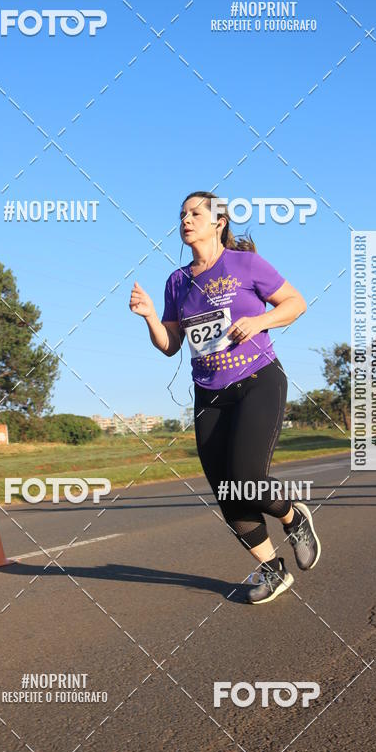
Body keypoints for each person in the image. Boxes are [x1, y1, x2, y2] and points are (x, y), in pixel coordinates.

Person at [129, 191, 320, 604]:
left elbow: (296, 303)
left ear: (218, 222)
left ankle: (293, 515)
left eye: (196, 213)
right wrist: (149, 316)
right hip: (209, 395)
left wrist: (261, 320)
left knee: (247, 480)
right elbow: (170, 344)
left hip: (258, 380)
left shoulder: (245, 263)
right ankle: (273, 571)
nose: (186, 219)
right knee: (227, 491)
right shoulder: (177, 282)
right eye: (182, 214)